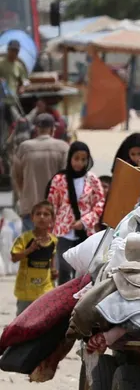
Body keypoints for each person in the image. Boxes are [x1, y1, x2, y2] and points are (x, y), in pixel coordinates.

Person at [47, 142, 105, 285]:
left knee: (83, 270)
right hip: (63, 231)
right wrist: (49, 230)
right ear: (70, 158)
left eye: (83, 159)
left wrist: (85, 221)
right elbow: (52, 205)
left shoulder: (92, 180)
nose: (79, 163)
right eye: (76, 158)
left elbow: (99, 203)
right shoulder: (59, 179)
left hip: (86, 232)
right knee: (64, 269)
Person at [12, 113, 69, 232]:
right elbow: (67, 179)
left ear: (36, 129)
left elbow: (17, 177)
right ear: (53, 129)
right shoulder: (63, 147)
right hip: (54, 209)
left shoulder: (24, 148)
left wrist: (23, 196)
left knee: (30, 242)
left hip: (30, 208)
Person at [10, 201, 58, 315]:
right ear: (32, 218)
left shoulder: (53, 240)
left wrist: (53, 270)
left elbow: (51, 257)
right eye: (38, 214)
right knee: (23, 321)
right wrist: (29, 250)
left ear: (52, 219)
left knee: (44, 320)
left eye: (46, 214)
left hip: (45, 290)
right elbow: (14, 258)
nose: (42, 217)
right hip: (26, 291)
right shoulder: (24, 238)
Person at [0, 39, 28, 105]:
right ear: (8, 50)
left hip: (12, 99)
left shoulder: (19, 66)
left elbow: (26, 81)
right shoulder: (1, 62)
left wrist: (23, 87)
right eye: (12, 50)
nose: (14, 53)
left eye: (16, 51)